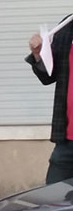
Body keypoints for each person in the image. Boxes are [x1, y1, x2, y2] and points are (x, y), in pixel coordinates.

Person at [27, 16, 73, 183]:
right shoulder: (68, 26)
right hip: (67, 141)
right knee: (54, 200)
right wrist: (38, 53)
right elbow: (48, 75)